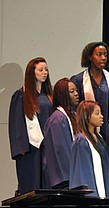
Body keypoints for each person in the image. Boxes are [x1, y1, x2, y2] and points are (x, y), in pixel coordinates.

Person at [70, 42, 109, 196]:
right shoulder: (80, 80)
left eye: (105, 55)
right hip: (88, 130)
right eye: (99, 54)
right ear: (90, 57)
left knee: (108, 168)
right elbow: (76, 108)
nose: (103, 58)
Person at [9, 57, 52, 194]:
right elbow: (16, 124)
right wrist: (20, 148)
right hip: (30, 149)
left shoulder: (48, 96)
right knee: (31, 183)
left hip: (46, 146)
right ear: (31, 73)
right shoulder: (21, 95)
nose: (44, 72)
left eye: (46, 69)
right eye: (40, 70)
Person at [42, 78, 79, 189]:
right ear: (63, 95)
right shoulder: (57, 120)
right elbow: (61, 150)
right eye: (72, 92)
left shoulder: (72, 115)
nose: (77, 94)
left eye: (76, 90)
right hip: (62, 179)